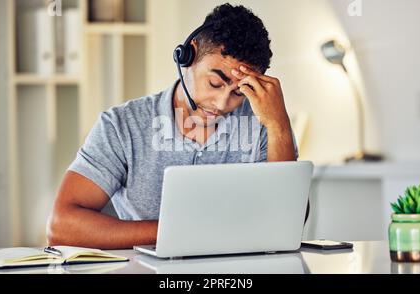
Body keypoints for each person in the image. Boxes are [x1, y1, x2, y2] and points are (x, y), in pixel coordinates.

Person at [46, 3, 298, 249]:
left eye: (239, 92)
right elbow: (61, 226)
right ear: (188, 54)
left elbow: (289, 220)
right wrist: (178, 231)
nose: (222, 103)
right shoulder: (121, 125)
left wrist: (279, 125)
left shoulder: (266, 123)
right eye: (214, 83)